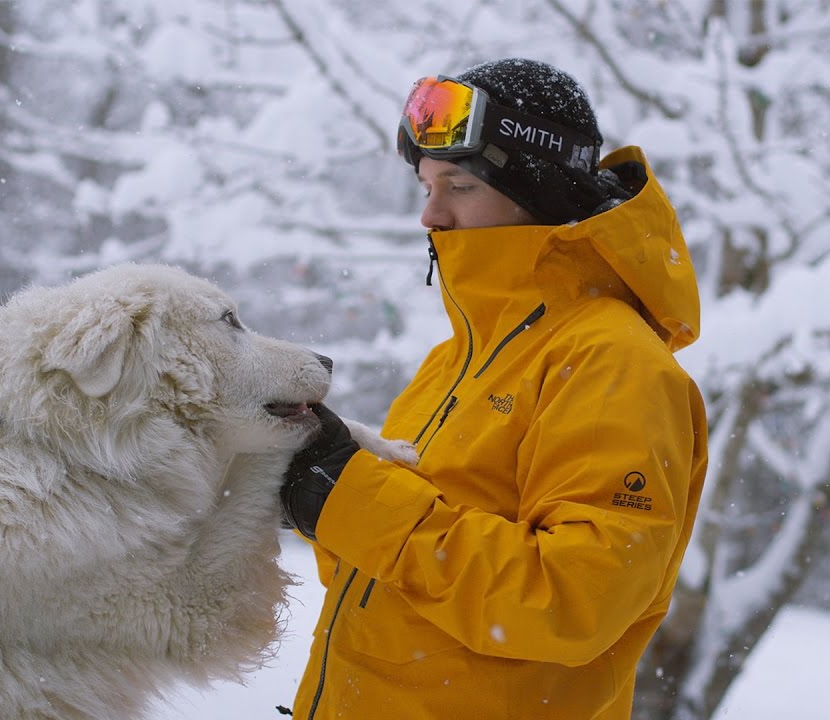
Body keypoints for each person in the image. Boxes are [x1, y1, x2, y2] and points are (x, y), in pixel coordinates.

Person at [279, 57, 708, 719]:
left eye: (458, 184)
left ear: (537, 191)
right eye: (426, 184)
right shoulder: (452, 362)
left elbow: (572, 600)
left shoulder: (613, 361)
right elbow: (387, 578)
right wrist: (306, 488)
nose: (431, 213)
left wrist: (357, 498)